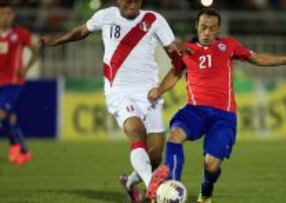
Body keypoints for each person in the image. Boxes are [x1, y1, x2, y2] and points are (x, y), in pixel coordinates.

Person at [147, 8, 286, 203]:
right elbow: (175, 73)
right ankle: (171, 187)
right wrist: (158, 90)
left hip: (223, 116)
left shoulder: (228, 46)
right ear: (196, 26)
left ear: (218, 29)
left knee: (211, 165)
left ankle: (206, 190)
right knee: (174, 135)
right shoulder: (185, 49)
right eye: (203, 27)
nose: (207, 32)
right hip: (195, 110)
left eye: (212, 28)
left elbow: (256, 58)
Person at [41, 0, 187, 202]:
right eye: (127, 0)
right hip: (119, 91)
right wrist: (56, 41)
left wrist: (178, 54)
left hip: (149, 93)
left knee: (154, 155)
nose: (132, 4)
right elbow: (82, 31)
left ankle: (130, 183)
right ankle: (155, 187)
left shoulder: (154, 19)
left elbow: (175, 53)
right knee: (137, 131)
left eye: (136, 0)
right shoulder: (105, 16)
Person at [0, 3, 39, 166]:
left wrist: (27, 67)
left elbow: (36, 51)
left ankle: (15, 145)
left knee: (1, 113)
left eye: (8, 14)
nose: (5, 17)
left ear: (13, 15)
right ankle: (23, 150)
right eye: (2, 13)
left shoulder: (20, 34)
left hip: (14, 82)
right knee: (10, 117)